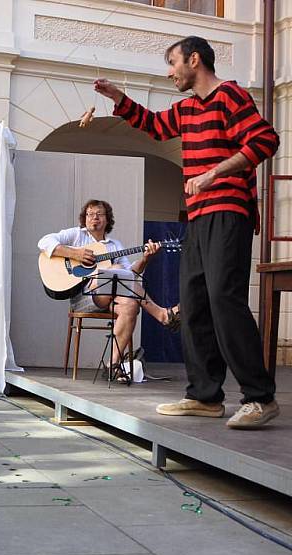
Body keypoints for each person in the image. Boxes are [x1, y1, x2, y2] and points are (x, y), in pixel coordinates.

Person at [95, 36, 280, 428]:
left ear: (194, 60)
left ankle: (260, 397)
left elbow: (265, 139)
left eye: (173, 62)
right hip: (197, 217)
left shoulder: (230, 95)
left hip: (229, 211)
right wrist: (118, 97)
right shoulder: (187, 109)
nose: (169, 71)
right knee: (193, 304)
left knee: (223, 298)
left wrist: (213, 173)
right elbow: (154, 125)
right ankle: (205, 396)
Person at [39, 199, 180, 378]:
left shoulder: (114, 245)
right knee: (117, 269)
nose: (94, 218)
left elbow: (130, 277)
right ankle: (161, 314)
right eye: (90, 214)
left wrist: (145, 259)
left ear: (107, 219)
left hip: (110, 298)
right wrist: (75, 253)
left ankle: (112, 365)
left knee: (130, 305)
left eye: (99, 214)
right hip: (83, 298)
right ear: (84, 218)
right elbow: (44, 242)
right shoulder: (76, 235)